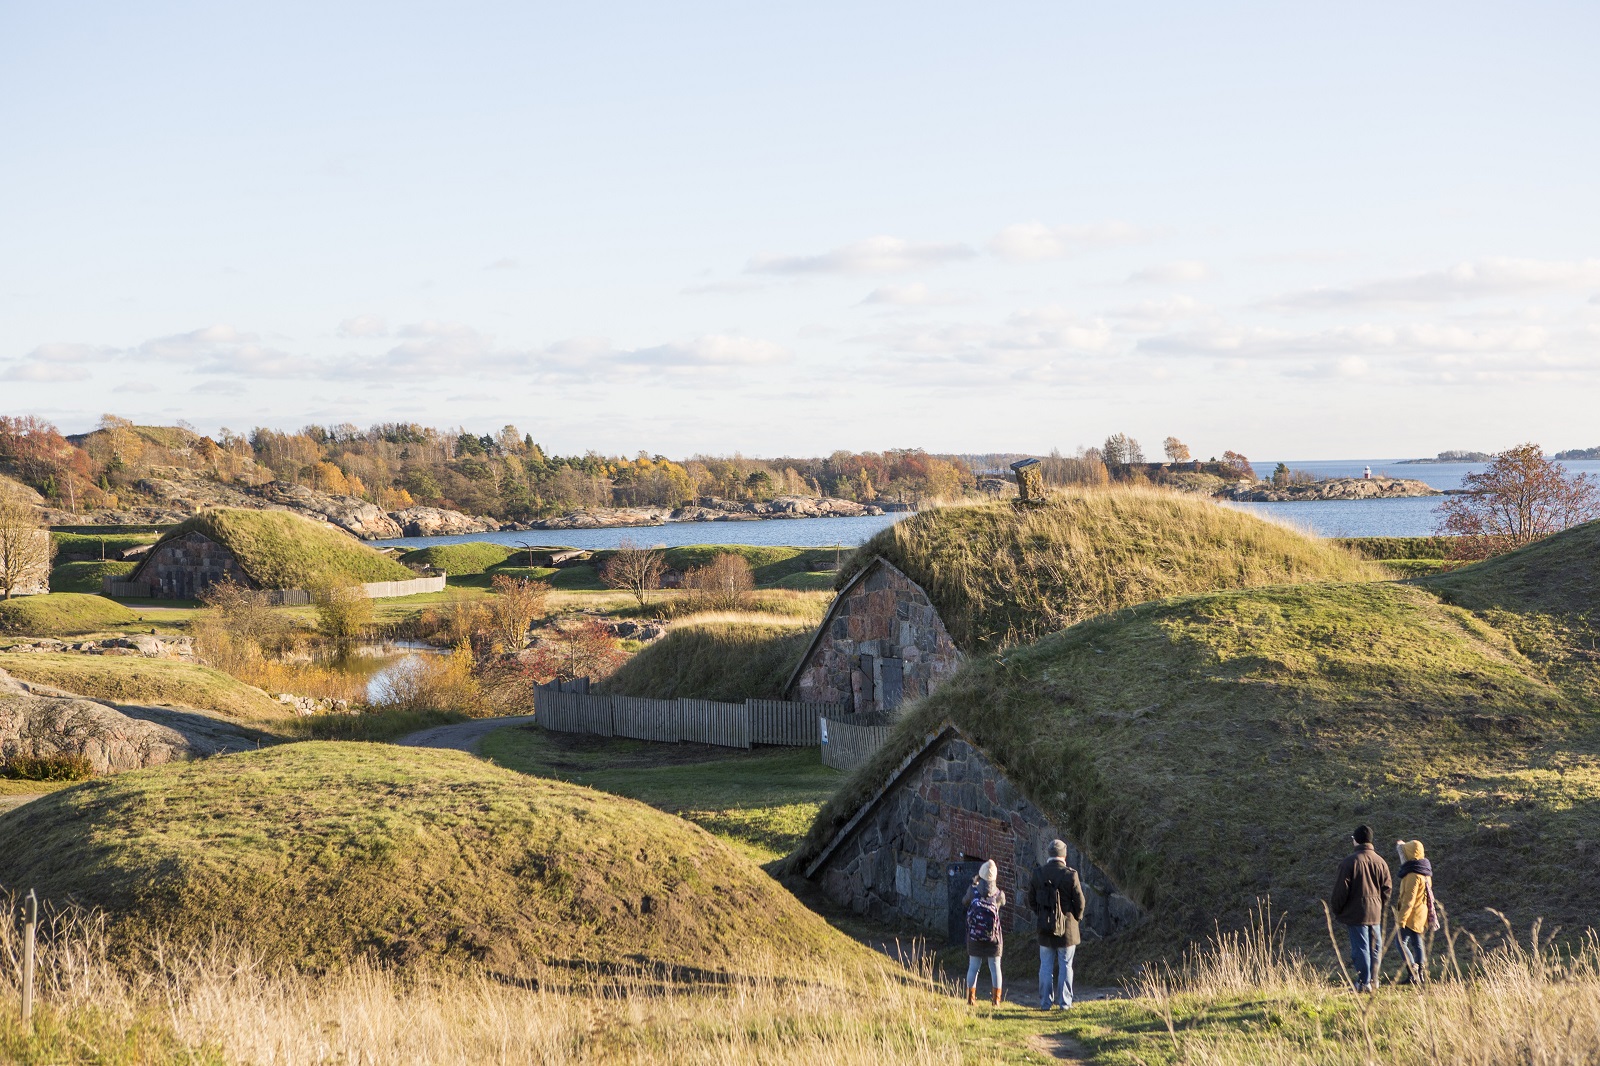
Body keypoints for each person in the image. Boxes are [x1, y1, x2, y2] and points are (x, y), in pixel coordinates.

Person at [1330, 824, 1392, 992]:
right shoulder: (1381, 862)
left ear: (1355, 840)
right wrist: (1380, 905)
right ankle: (1374, 980)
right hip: (1376, 912)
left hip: (1356, 913)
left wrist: (1337, 909)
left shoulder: (1350, 862)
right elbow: (1387, 888)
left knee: (1361, 948)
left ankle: (1363, 983)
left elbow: (1340, 891)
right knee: (1375, 947)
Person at [1029, 839, 1087, 1010]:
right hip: (1067, 928)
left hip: (1044, 926)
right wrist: (1076, 918)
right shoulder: (1070, 874)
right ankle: (1064, 1003)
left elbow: (1031, 899)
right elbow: (1080, 901)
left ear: (1049, 854)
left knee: (1045, 966)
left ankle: (1045, 1003)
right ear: (1064, 855)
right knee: (1066, 965)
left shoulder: (1038, 873)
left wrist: (1041, 914)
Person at [964, 860, 1006, 1006]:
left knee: (973, 967)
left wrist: (974, 885)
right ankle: (996, 1001)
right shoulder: (999, 895)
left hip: (975, 936)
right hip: (993, 938)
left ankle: (971, 999)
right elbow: (1003, 903)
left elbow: (965, 902)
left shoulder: (973, 891)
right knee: (995, 968)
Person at [1394, 839, 1435, 984]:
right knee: (1418, 943)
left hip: (1411, 915)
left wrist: (1401, 920)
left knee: (1400, 942)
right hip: (1421, 914)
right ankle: (1421, 975)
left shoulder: (1412, 875)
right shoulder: (1425, 873)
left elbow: (1408, 900)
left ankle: (1413, 971)